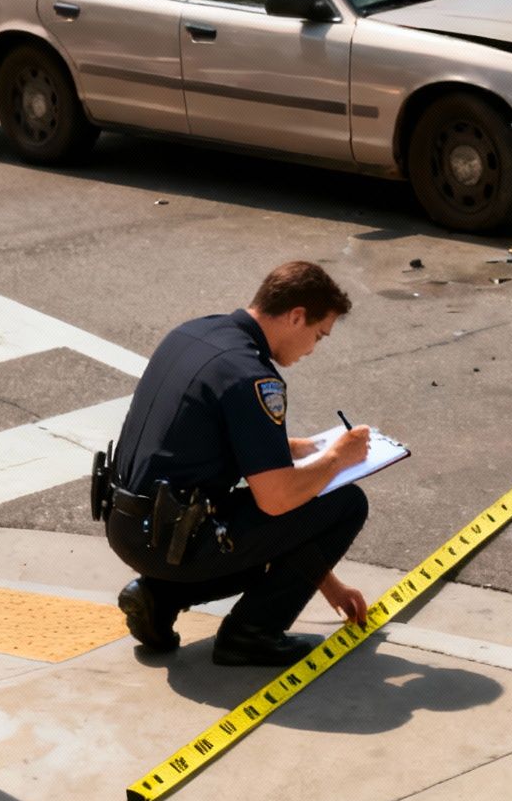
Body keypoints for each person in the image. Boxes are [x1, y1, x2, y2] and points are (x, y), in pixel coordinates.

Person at [101, 261, 372, 667]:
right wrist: (337, 457)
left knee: (286, 510)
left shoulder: (193, 333)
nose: (313, 348)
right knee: (345, 503)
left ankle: (159, 598)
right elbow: (278, 501)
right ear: (297, 316)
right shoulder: (252, 377)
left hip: (130, 526)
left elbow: (201, 439)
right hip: (175, 542)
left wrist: (329, 585)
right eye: (317, 335)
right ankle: (250, 635)